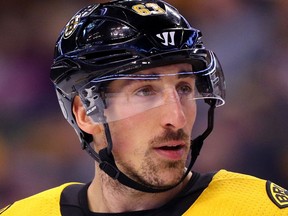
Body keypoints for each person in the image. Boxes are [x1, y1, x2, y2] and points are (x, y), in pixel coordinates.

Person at [1, 0, 287, 215]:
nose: (176, 118)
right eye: (145, 91)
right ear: (86, 113)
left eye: (184, 88)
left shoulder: (259, 208)